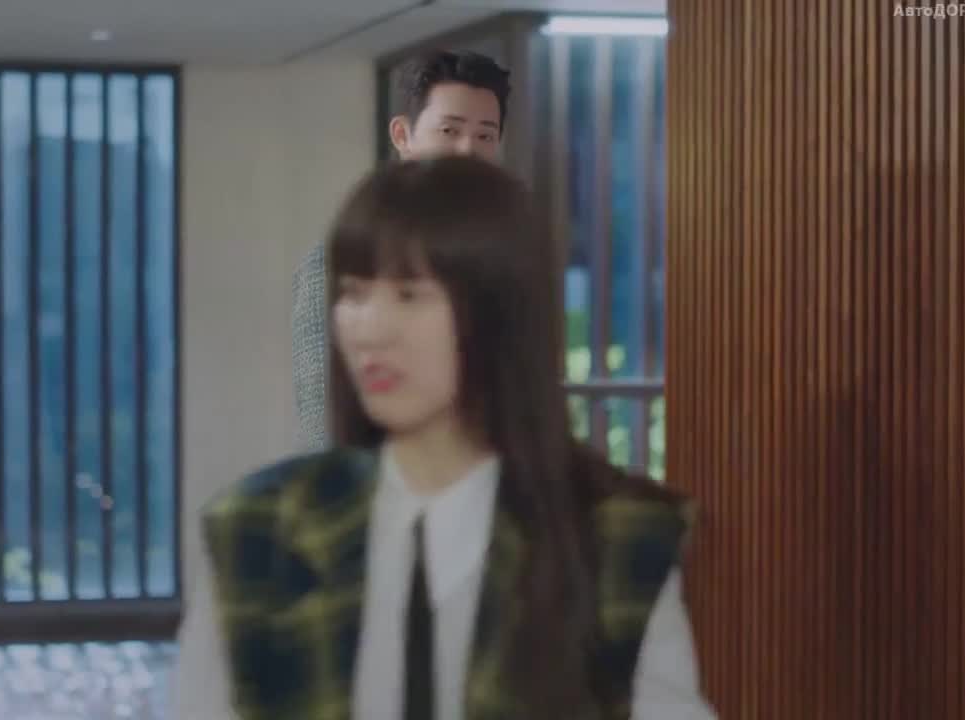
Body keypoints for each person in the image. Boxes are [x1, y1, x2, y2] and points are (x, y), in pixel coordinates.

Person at [200, 157, 716, 719]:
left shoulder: (615, 538)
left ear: (497, 311)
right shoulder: (258, 529)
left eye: (409, 294)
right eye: (354, 293)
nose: (369, 329)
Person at [292, 49, 511, 451]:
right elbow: (323, 414)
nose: (467, 151)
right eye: (450, 130)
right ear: (402, 135)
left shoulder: (508, 259)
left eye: (485, 136)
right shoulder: (343, 261)